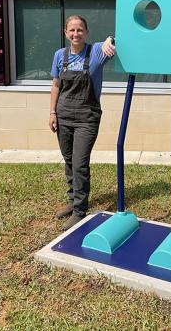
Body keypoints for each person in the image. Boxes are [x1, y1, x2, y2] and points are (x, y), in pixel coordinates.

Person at [49, 15, 115, 230]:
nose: (75, 34)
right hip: (63, 115)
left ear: (86, 32)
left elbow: (122, 40)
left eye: (80, 30)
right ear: (65, 33)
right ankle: (72, 200)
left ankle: (79, 211)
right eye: (71, 30)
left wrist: (110, 39)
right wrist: (52, 113)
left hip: (87, 117)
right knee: (68, 160)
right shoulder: (60, 55)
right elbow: (56, 86)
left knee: (79, 163)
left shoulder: (96, 51)